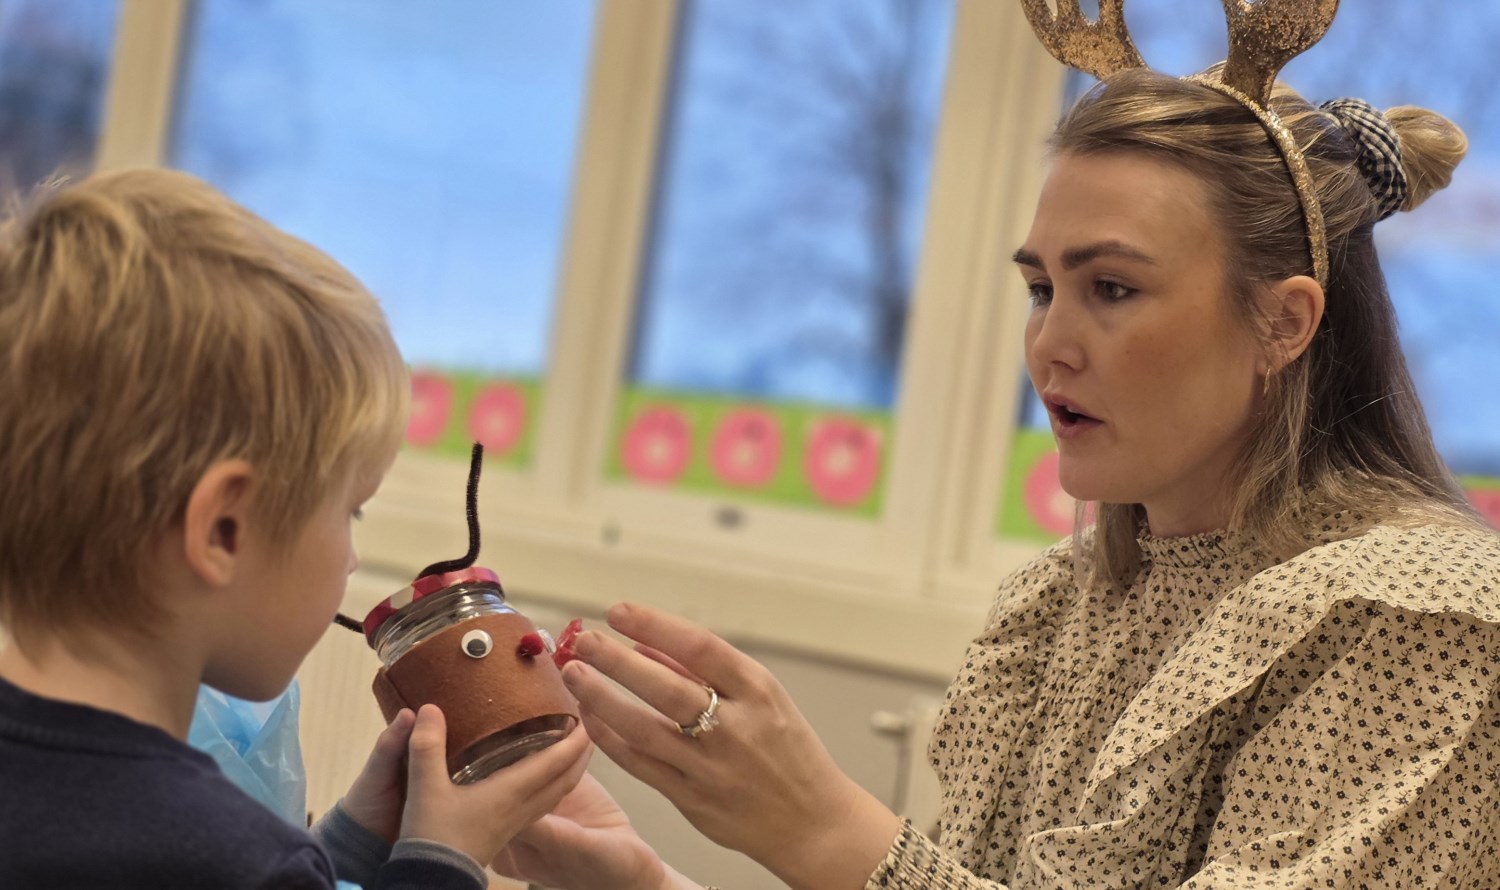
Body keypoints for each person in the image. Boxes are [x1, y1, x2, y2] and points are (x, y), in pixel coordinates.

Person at [487, 11, 1500, 890]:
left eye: (1112, 288)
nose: (1050, 342)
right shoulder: (1063, 604)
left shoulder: (1417, 621)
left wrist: (826, 830)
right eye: (1041, 288)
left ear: (1283, 322)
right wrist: (649, 879)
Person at [0, 168, 593, 889]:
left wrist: (352, 843)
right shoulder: (226, 858)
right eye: (349, 511)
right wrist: (446, 859)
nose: (350, 560)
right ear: (223, 530)